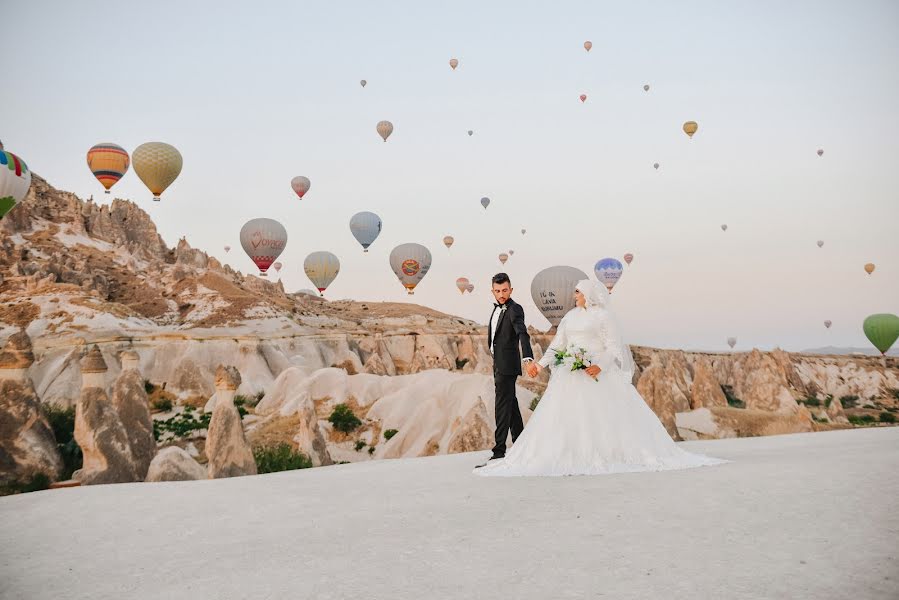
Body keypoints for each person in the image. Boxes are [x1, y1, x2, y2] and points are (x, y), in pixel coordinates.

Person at [475, 279, 728, 477]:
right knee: (564, 418)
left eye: (577, 292)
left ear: (589, 294)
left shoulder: (603, 317)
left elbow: (614, 350)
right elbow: (557, 344)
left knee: (602, 419)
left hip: (596, 374)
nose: (574, 296)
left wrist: (599, 366)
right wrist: (539, 365)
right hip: (569, 375)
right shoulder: (570, 317)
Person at [475, 273, 534, 468]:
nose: (501, 294)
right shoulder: (496, 310)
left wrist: (527, 358)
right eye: (498, 291)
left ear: (511, 290)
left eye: (505, 290)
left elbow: (522, 333)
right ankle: (521, 445)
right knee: (511, 405)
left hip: (507, 366)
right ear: (492, 291)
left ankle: (499, 452)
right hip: (498, 364)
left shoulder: (514, 309)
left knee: (501, 406)